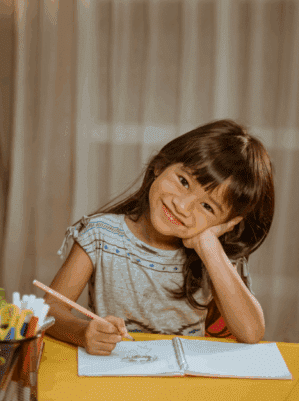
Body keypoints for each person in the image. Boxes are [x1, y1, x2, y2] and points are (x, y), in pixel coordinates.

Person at [44, 119, 274, 355]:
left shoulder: (213, 255)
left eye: (207, 207)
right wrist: (83, 332)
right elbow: (50, 309)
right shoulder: (101, 234)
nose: (182, 206)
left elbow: (251, 332)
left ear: (227, 223)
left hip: (183, 377)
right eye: (183, 181)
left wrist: (209, 247)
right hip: (115, 372)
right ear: (160, 165)